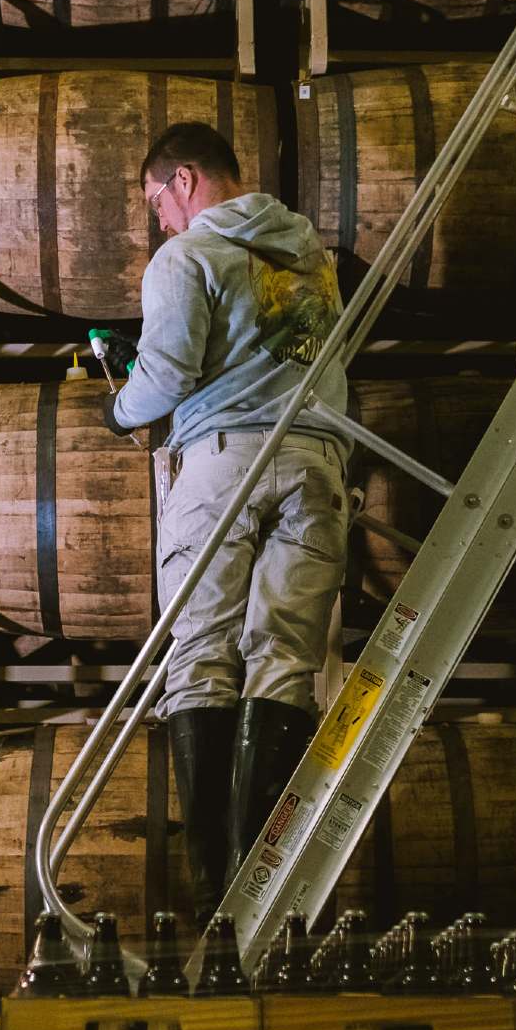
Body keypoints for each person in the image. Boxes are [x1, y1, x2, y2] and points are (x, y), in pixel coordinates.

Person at [102, 121, 351, 922]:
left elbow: (167, 372)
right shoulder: (311, 254)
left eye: (156, 203)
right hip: (316, 464)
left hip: (221, 466)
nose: (160, 222)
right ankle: (263, 879)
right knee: (284, 657)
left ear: (183, 180)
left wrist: (120, 408)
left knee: (203, 653)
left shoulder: (186, 258)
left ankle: (215, 885)